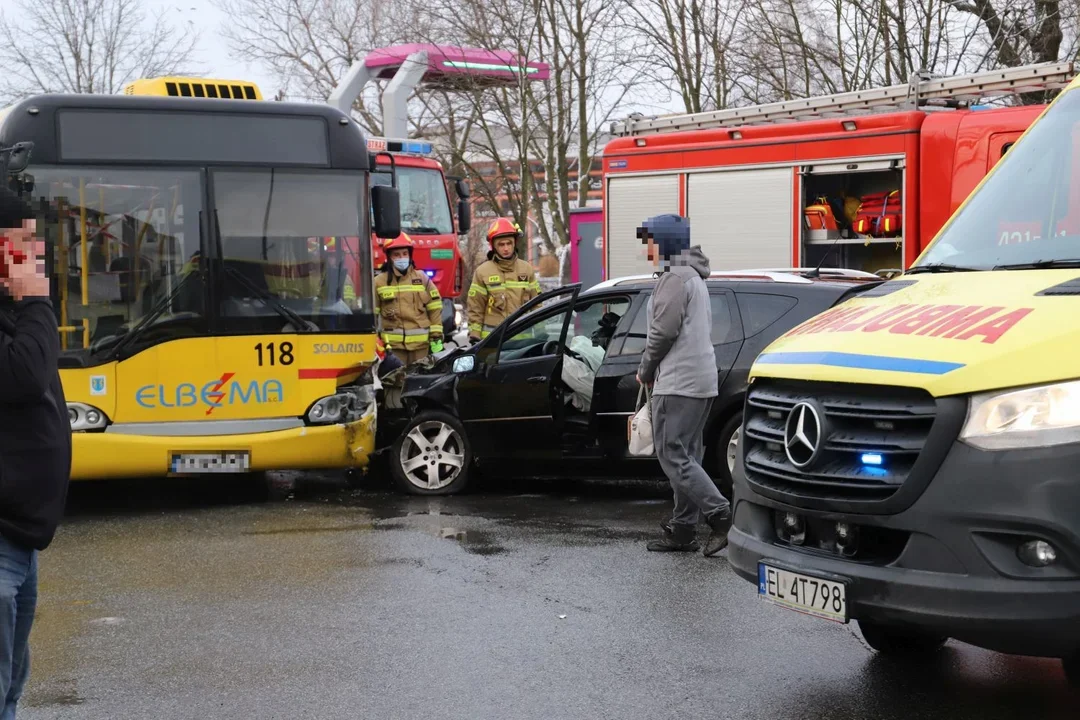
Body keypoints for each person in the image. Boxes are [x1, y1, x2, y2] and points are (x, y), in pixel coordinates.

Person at [0, 185, 72, 717]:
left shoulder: (15, 311)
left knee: (11, 683)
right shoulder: (27, 307)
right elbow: (25, 375)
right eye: (21, 244)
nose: (34, 259)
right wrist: (37, 297)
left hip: (20, 539)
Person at [635, 213, 731, 556]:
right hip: (702, 380)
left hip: (678, 381)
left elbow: (663, 332)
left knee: (672, 455)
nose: (646, 247)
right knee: (688, 456)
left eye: (649, 240)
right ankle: (683, 530)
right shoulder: (693, 276)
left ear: (663, 242)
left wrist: (646, 368)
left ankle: (721, 516)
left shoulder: (674, 278)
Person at [374, 232, 443, 365]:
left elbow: (435, 307)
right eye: (397, 254)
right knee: (396, 383)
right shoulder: (378, 282)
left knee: (420, 382)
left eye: (405, 254)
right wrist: (376, 341)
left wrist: (436, 338)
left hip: (421, 347)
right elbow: (373, 316)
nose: (402, 258)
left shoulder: (422, 278)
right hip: (393, 349)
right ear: (389, 257)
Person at [467, 218, 541, 342]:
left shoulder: (526, 269)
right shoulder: (482, 272)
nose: (506, 248)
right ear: (493, 246)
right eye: (501, 244)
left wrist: (541, 333)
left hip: (523, 343)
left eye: (509, 243)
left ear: (514, 243)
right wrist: (475, 336)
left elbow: (537, 304)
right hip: (492, 342)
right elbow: (476, 308)